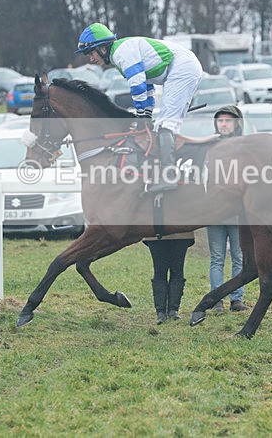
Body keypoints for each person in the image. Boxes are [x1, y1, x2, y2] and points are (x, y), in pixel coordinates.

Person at [75, 23, 203, 193]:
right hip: (183, 67)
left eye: (91, 52)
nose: (91, 59)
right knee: (164, 125)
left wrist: (141, 115)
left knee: (166, 125)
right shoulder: (121, 55)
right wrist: (147, 114)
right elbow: (148, 87)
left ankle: (169, 176)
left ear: (103, 48)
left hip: (182, 67)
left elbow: (138, 86)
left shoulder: (122, 53)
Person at [207, 105, 249, 312]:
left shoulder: (244, 147)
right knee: (217, 257)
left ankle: (236, 299)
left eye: (228, 121)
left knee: (238, 256)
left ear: (236, 123)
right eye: (221, 121)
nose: (223, 124)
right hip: (215, 210)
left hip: (237, 211)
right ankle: (217, 300)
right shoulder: (209, 146)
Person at [143, 232, 194, 324]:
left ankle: (172, 310)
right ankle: (161, 311)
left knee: (177, 270)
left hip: (181, 232)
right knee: (160, 271)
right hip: (156, 233)